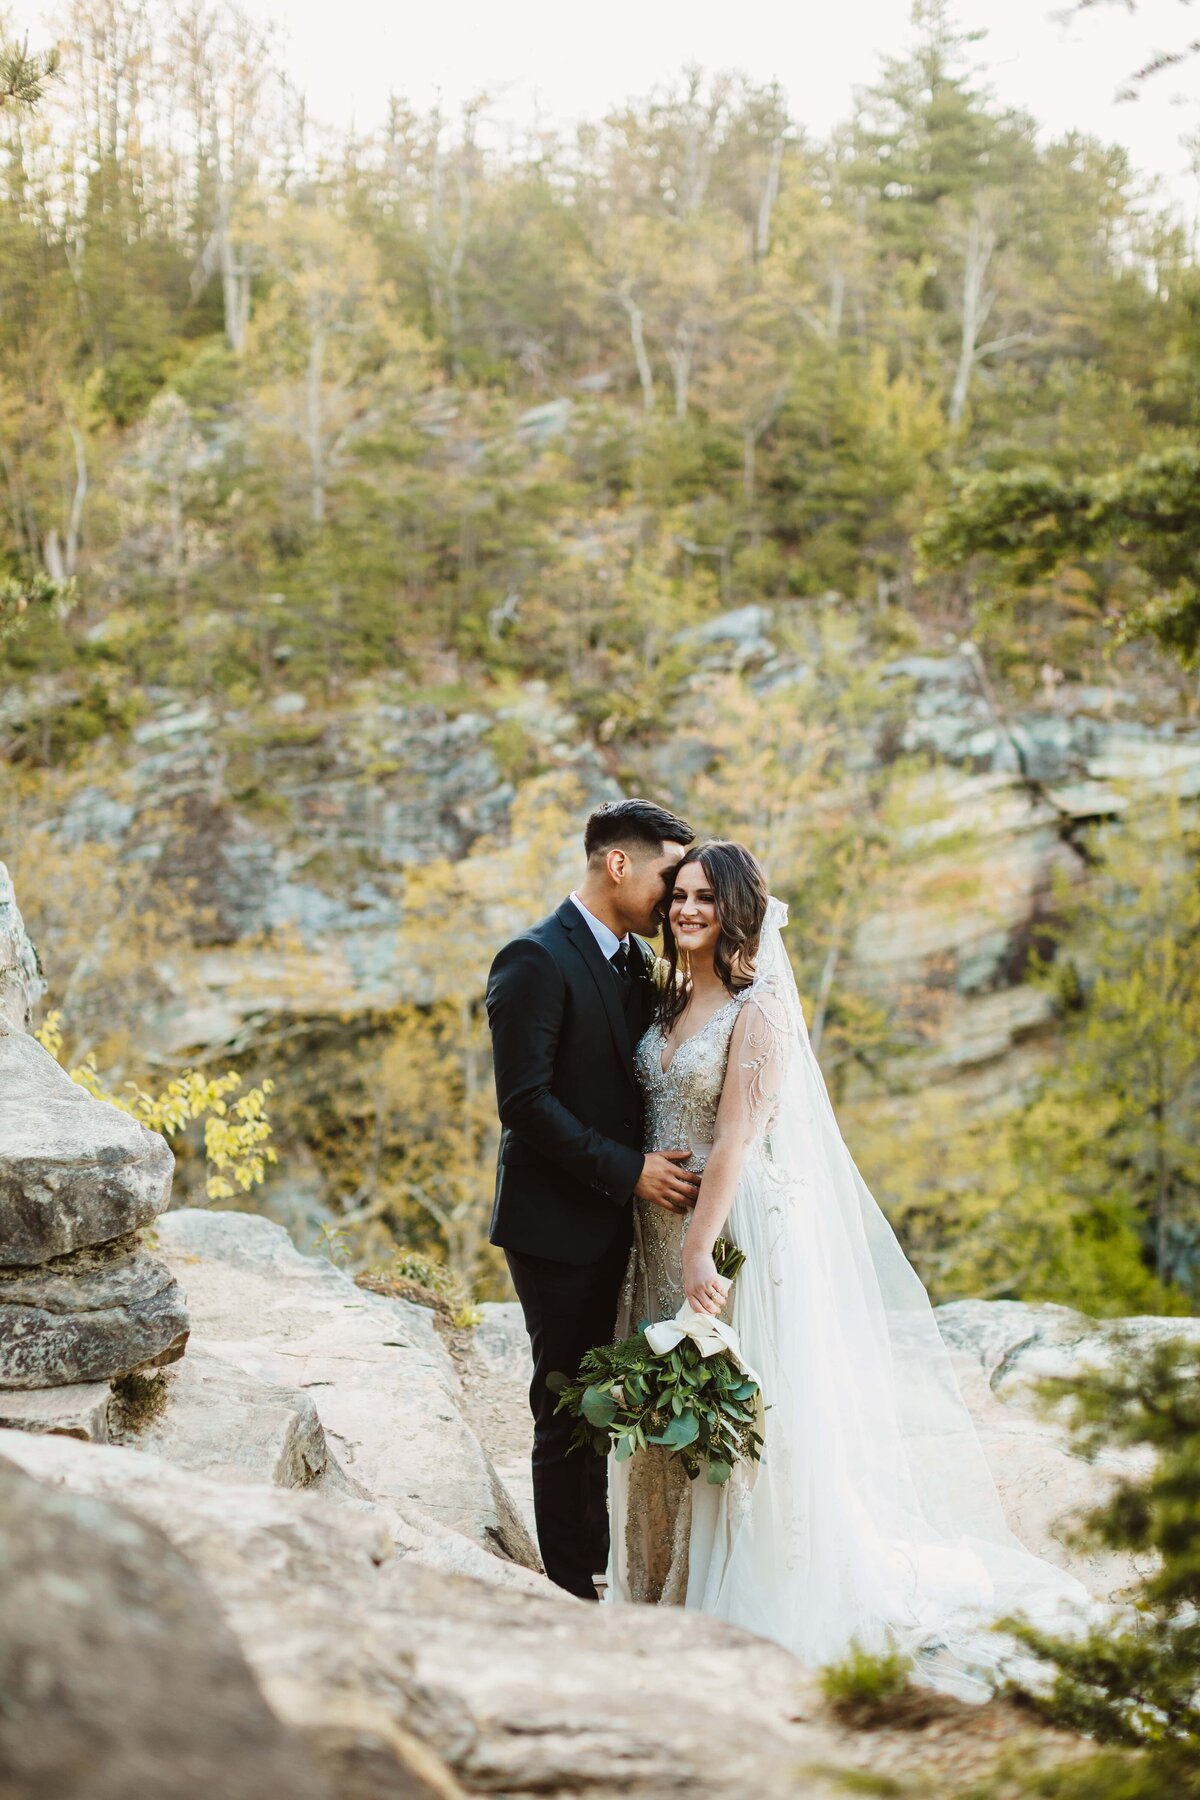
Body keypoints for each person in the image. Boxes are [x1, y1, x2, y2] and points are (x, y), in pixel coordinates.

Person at [606, 838, 1090, 1695]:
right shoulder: (672, 995)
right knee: (670, 1401)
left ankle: (737, 1593)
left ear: (738, 911)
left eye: (705, 899)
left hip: (730, 1229)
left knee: (737, 1408)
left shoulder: (757, 1009)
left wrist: (696, 1246)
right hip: (654, 1226)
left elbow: (738, 1137)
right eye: (678, 895)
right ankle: (661, 1581)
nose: (686, 910)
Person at [485, 797, 695, 1599]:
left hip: (629, 1225)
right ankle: (572, 1590)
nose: (675, 901)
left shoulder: (635, 963)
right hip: (558, 1227)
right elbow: (526, 1103)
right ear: (619, 865)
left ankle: (608, 1566)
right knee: (567, 1404)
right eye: (669, 879)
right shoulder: (533, 958)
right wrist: (631, 1170)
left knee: (611, 1400)